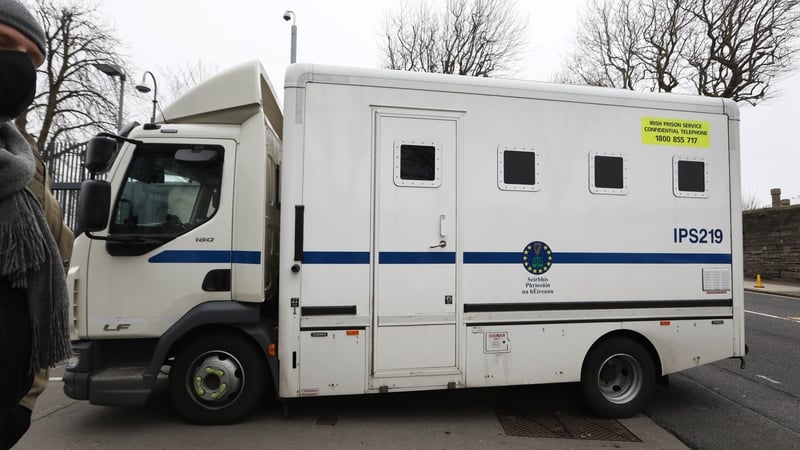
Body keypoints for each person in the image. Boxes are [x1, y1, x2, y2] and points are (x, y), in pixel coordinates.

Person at [1, 0, 72, 447]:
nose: (19, 66)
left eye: (32, 59)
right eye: (3, 42)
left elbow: (45, 274)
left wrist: (26, 398)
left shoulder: (25, 159)